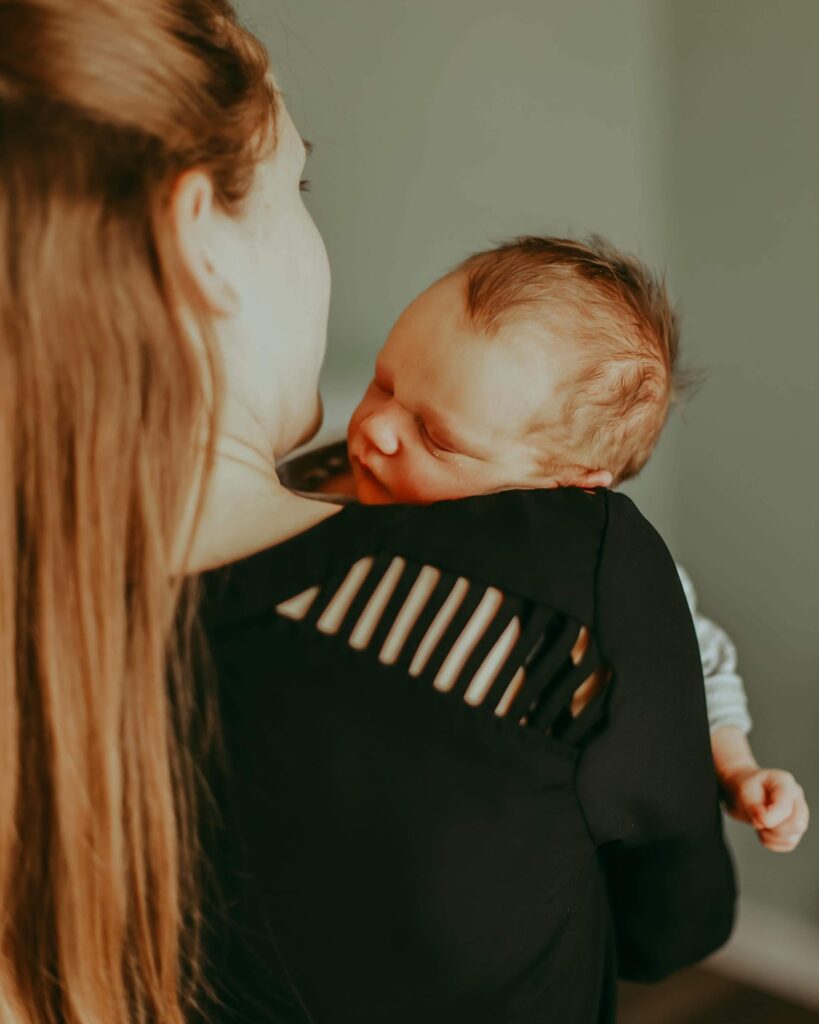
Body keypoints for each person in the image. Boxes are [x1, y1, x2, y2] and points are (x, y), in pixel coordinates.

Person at [0, 3, 734, 1023]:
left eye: (437, 434)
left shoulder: (40, 651)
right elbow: (677, 926)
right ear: (199, 233)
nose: (375, 432)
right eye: (295, 181)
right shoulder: (567, 583)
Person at [341, 237, 809, 854]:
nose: (376, 426)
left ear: (561, 489)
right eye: (383, 382)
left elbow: (697, 661)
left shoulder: (591, 574)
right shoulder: (322, 488)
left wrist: (737, 770)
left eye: (436, 437)